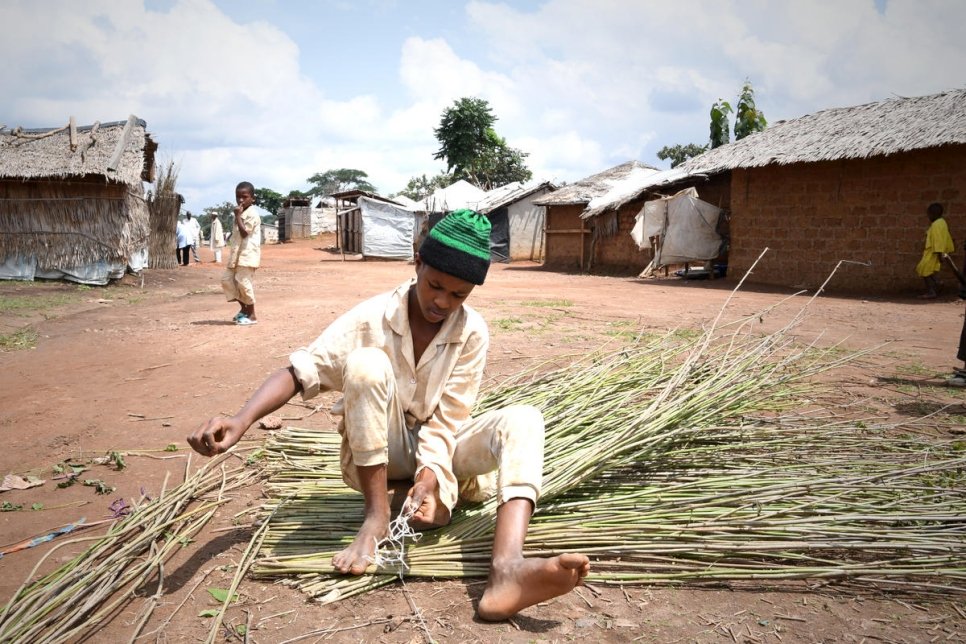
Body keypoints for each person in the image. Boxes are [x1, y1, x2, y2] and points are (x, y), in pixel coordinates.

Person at [187, 209, 590, 621]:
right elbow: (300, 372)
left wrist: (431, 476)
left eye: (458, 295)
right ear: (417, 261)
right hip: (381, 451)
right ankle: (378, 517)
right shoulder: (371, 317)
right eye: (434, 286)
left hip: (440, 449)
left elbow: (449, 419)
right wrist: (241, 420)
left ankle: (507, 568)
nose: (442, 302)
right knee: (364, 364)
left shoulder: (471, 332)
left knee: (524, 419)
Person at [221, 182, 261, 325]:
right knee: (227, 280)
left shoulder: (252, 214)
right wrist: (238, 215)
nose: (241, 200)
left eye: (244, 197)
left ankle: (252, 315)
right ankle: (244, 309)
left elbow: (244, 233)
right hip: (236, 255)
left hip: (247, 255)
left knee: (244, 283)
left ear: (252, 198)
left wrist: (237, 216)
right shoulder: (240, 212)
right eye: (238, 197)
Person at [915, 202, 954, 299]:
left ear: (933, 214)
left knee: (924, 270)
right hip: (935, 251)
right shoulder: (942, 222)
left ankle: (931, 291)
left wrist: (940, 254)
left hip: (934, 252)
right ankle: (938, 283)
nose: (928, 217)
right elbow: (946, 237)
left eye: (929, 215)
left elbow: (938, 240)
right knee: (926, 270)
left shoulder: (936, 225)